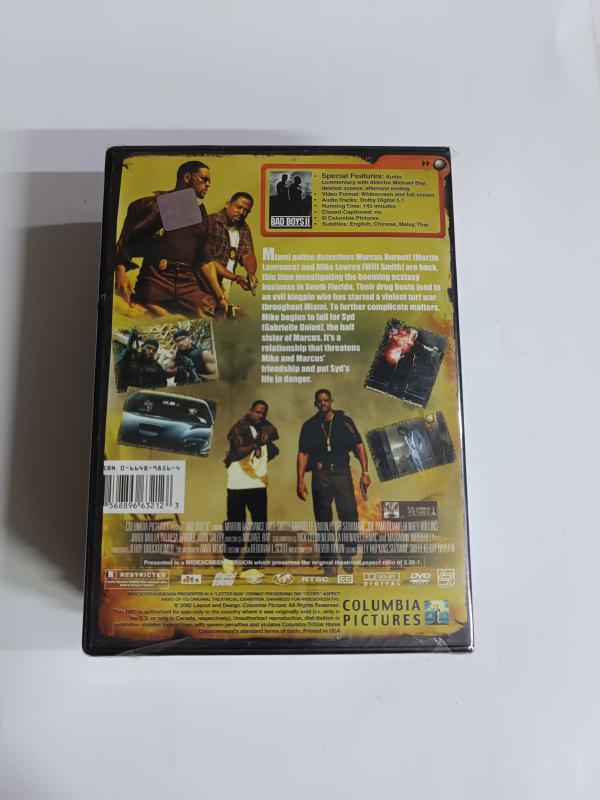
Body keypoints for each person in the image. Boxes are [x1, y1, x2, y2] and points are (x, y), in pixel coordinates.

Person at [114, 160, 216, 317]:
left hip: (187, 284)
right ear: (187, 177)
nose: (208, 184)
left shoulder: (201, 217)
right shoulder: (150, 205)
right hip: (155, 281)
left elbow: (205, 260)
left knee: (210, 317)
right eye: (204, 179)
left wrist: (220, 296)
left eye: (209, 181)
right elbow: (126, 243)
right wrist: (120, 273)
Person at [297, 389, 370, 576]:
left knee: (349, 516)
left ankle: (347, 554)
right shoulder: (309, 426)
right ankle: (329, 565)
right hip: (320, 476)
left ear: (331, 401)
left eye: (326, 400)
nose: (323, 403)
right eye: (319, 401)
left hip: (342, 474)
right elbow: (303, 454)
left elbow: (359, 447)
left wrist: (365, 472)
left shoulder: (344, 422)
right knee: (323, 522)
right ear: (316, 404)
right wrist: (300, 480)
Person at [223, 401, 279, 567]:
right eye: (257, 412)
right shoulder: (239, 427)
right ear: (250, 411)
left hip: (258, 484)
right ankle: (230, 560)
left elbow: (274, 436)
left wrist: (261, 460)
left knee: (260, 525)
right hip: (238, 484)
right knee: (236, 524)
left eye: (263, 413)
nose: (260, 415)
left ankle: (252, 564)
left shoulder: (263, 429)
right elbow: (239, 451)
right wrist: (257, 444)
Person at [200, 192, 258, 312]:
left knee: (223, 315)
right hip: (205, 284)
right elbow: (208, 261)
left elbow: (247, 254)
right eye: (238, 207)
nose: (242, 212)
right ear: (228, 204)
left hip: (227, 284)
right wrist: (236, 278)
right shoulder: (210, 222)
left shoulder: (244, 228)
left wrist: (251, 273)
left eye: (246, 211)